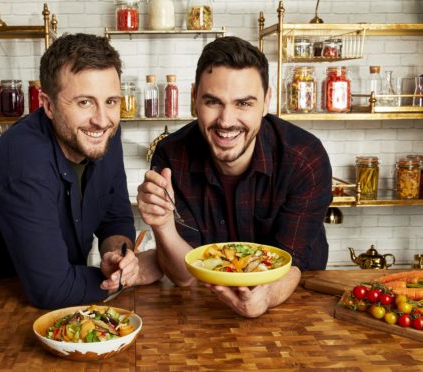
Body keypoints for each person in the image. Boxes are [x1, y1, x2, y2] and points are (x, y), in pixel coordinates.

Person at [137, 36, 332, 318]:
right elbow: (184, 277)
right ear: (194, 99)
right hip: (203, 307)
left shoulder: (305, 158)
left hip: (295, 301)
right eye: (213, 102)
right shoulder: (171, 156)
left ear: (266, 101)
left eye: (243, 103)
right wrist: (162, 225)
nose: (226, 121)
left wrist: (264, 300)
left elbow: (293, 265)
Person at [0, 33, 162, 309]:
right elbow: (51, 289)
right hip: (1, 306)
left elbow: (114, 218)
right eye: (84, 102)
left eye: (111, 101)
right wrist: (135, 274)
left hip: (69, 302)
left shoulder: (105, 134)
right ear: (47, 104)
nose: (102, 120)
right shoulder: (22, 159)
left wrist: (120, 258)